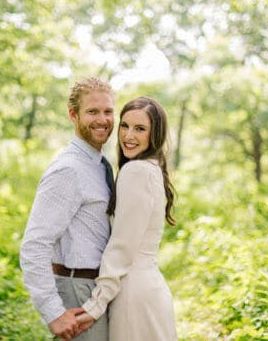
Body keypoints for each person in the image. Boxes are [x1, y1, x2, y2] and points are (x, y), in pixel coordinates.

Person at [19, 77, 115, 341]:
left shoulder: (99, 164)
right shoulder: (68, 170)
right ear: (73, 115)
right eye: (92, 112)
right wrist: (53, 312)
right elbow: (35, 245)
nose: (102, 119)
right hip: (77, 290)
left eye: (108, 111)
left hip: (97, 290)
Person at [75, 96, 178, 341]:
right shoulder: (152, 169)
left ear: (155, 134)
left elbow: (122, 247)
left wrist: (97, 303)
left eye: (140, 129)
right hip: (150, 290)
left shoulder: (136, 171)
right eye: (125, 126)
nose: (128, 136)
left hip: (134, 295)